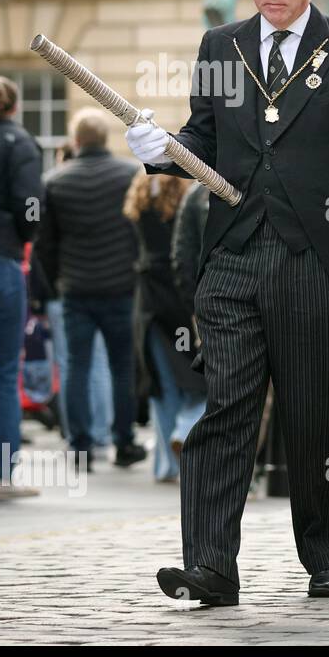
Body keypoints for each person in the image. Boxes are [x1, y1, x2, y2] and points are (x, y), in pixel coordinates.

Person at [126, 0, 329, 605]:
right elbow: (204, 139)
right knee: (225, 411)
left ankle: (328, 557)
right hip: (233, 256)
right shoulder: (222, 46)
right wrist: (164, 155)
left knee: (312, 414)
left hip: (315, 258)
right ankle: (211, 563)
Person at [35, 108, 145, 472]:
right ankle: (124, 441)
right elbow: (137, 235)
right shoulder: (129, 175)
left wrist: (51, 285)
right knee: (122, 368)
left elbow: (45, 245)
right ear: (106, 138)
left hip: (76, 289)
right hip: (121, 288)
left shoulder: (55, 182)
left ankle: (80, 445)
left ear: (77, 141)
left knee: (76, 367)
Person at [123, 173, 206, 482]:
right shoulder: (188, 200)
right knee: (198, 378)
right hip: (181, 300)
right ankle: (185, 432)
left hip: (149, 302)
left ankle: (165, 466)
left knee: (161, 385)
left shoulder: (140, 200)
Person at [0, 76, 43, 500]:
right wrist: (28, 232)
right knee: (5, 371)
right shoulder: (20, 143)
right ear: (14, 106)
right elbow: (30, 203)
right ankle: (1, 475)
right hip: (1, 262)